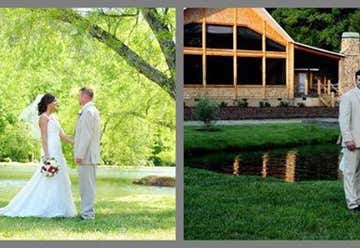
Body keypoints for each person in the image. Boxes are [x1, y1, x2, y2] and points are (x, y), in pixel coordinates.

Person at [0, 93, 77, 217]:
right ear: (48, 103)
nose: (57, 102)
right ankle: (43, 206)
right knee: (47, 178)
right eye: (55, 100)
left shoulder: (55, 118)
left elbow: (62, 136)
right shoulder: (43, 118)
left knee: (59, 178)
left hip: (58, 150)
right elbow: (44, 137)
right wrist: (47, 156)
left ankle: (59, 208)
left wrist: (77, 143)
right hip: (49, 150)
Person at [74, 87, 101, 220]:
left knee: (87, 186)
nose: (78, 99)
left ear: (85, 96)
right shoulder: (90, 111)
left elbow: (86, 135)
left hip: (87, 156)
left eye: (79, 96)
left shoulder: (88, 112)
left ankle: (88, 214)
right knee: (85, 186)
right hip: (88, 155)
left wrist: (80, 154)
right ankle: (86, 212)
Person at [339, 69, 360, 211]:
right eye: (359, 79)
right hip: (353, 142)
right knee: (350, 174)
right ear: (356, 80)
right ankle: (352, 204)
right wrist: (348, 140)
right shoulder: (348, 97)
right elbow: (343, 120)